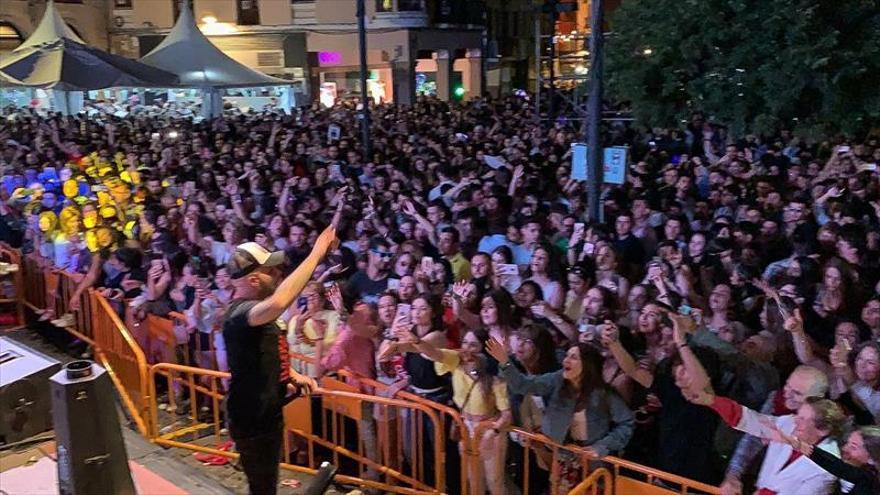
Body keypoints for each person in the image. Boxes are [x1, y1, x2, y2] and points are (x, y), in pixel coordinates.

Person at [222, 223, 337, 495]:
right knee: (263, 489)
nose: (278, 274)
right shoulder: (240, 313)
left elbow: (264, 352)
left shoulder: (257, 315)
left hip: (266, 413)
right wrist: (316, 253)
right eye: (270, 271)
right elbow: (278, 304)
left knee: (265, 484)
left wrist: (291, 376)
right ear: (253, 280)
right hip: (252, 418)